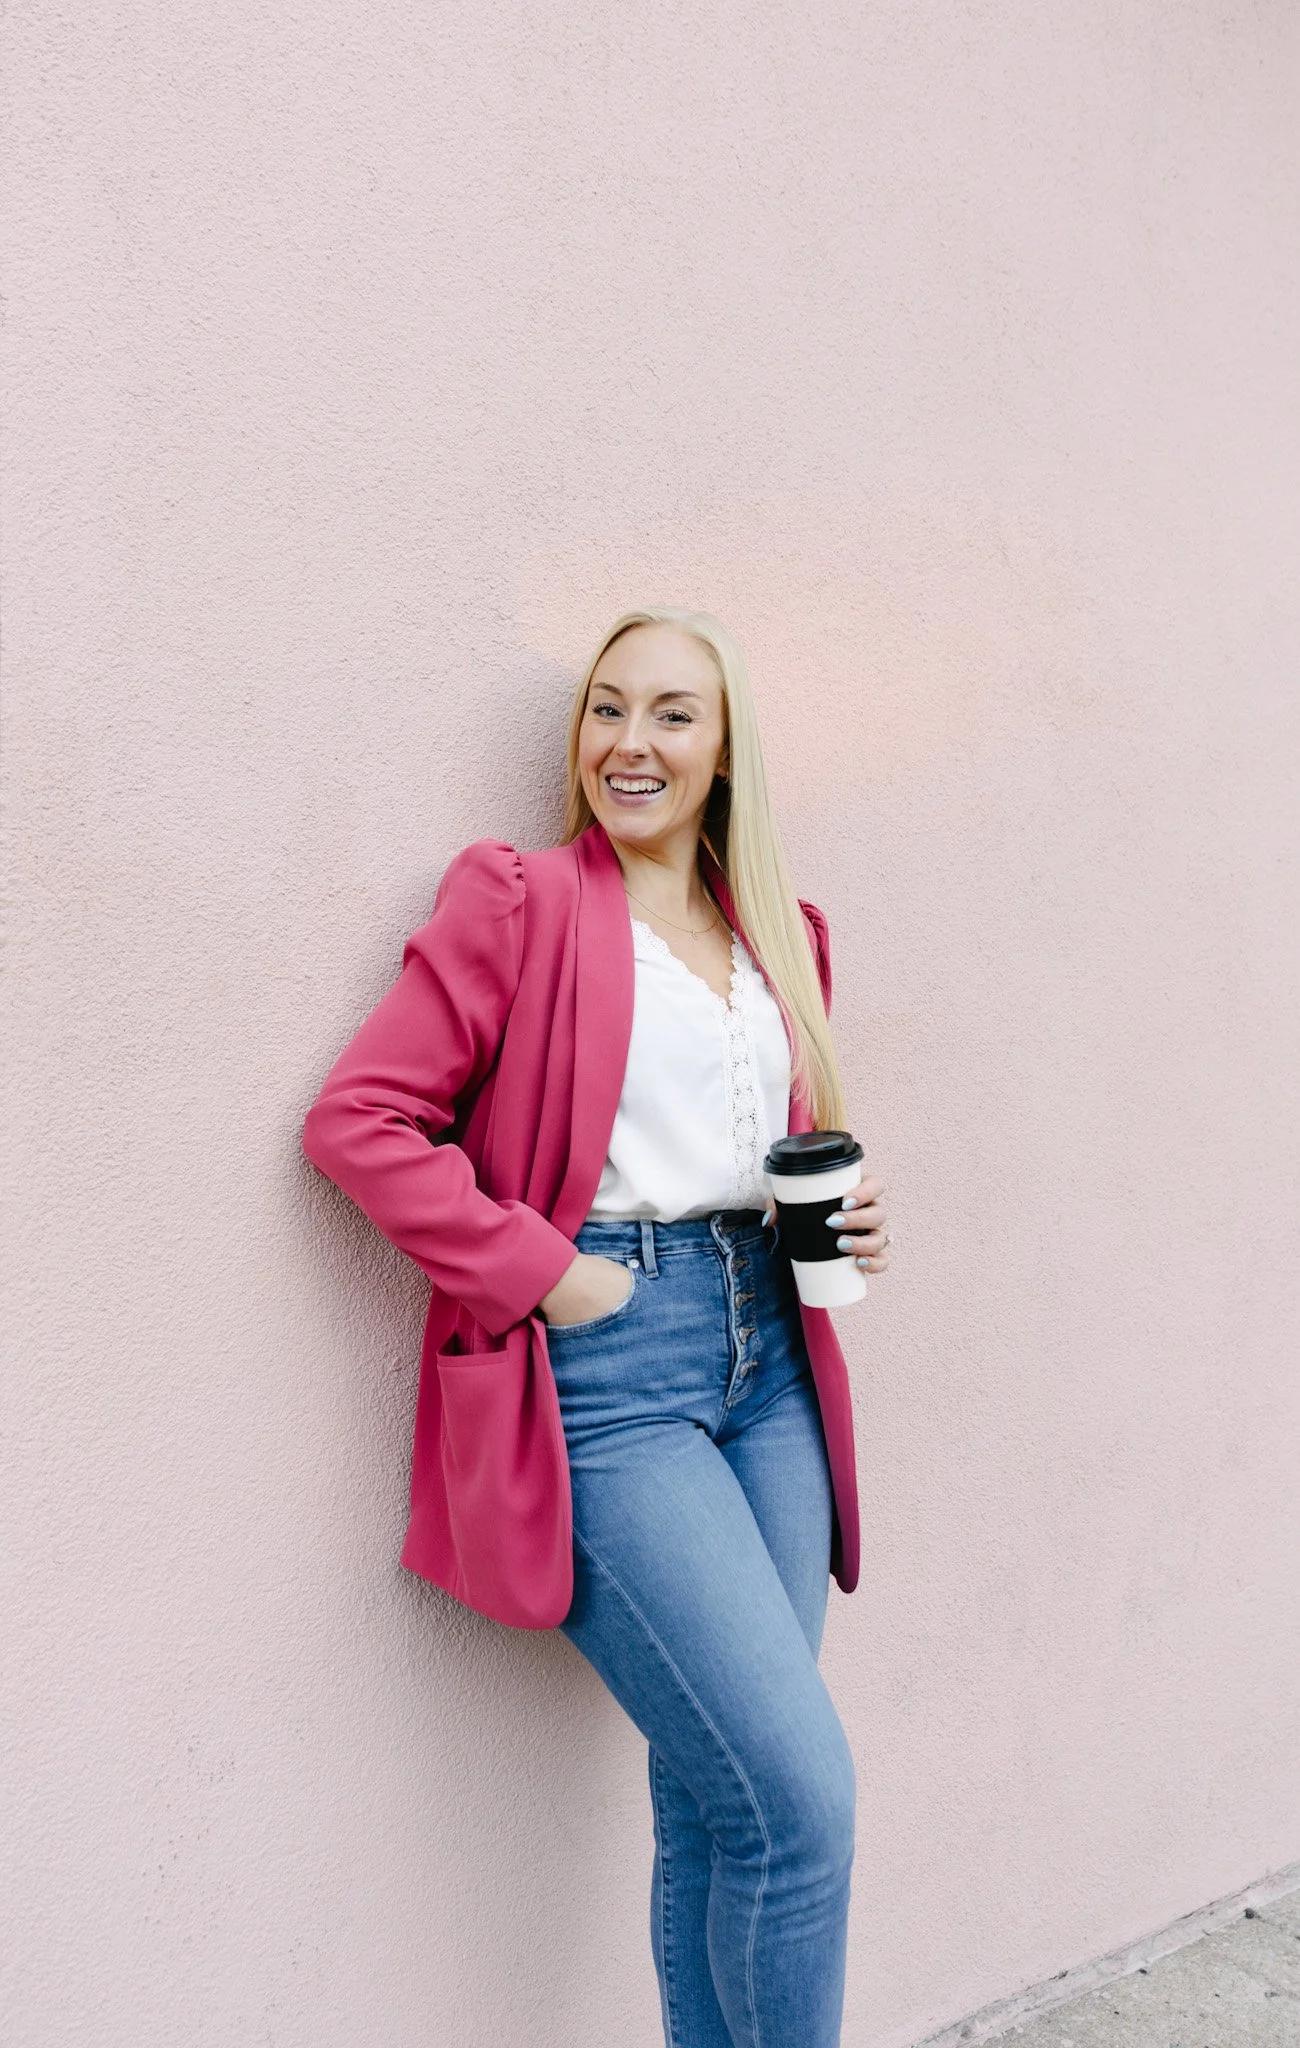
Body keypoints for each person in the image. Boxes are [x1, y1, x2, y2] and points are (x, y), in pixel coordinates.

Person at [302, 606, 891, 2047]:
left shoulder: (782, 935)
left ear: (726, 749)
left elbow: (755, 1143)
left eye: (673, 714)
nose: (632, 742)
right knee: (800, 1804)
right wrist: (546, 1271)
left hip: (773, 1363)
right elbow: (359, 1120)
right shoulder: (521, 902)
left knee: (719, 1802)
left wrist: (846, 1219)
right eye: (607, 708)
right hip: (615, 1369)